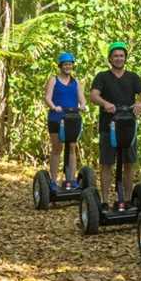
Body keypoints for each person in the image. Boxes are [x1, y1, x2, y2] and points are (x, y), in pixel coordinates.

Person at [89, 41, 141, 208]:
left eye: (121, 55)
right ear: (110, 58)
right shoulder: (102, 77)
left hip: (128, 128)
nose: (118, 58)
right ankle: (104, 201)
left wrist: (140, 104)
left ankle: (128, 199)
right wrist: (105, 104)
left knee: (130, 163)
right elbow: (93, 95)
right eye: (115, 55)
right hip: (108, 127)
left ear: (125, 58)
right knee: (107, 163)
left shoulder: (132, 77)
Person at [44, 52, 87, 192]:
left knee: (72, 148)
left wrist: (83, 105)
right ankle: (53, 180)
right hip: (56, 118)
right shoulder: (54, 80)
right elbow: (48, 98)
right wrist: (53, 106)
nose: (68, 67)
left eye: (70, 64)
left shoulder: (76, 82)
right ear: (60, 66)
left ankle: (71, 180)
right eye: (65, 64)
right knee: (57, 148)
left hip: (72, 118)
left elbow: (82, 98)